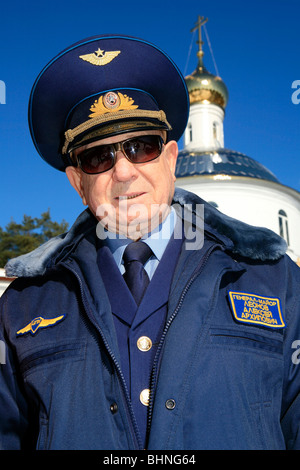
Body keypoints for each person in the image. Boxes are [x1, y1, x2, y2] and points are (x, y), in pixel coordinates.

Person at [0, 34, 300, 451]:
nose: (123, 173)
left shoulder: (275, 282)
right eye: (97, 157)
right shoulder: (25, 304)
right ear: (77, 183)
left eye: (141, 148)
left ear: (172, 159)